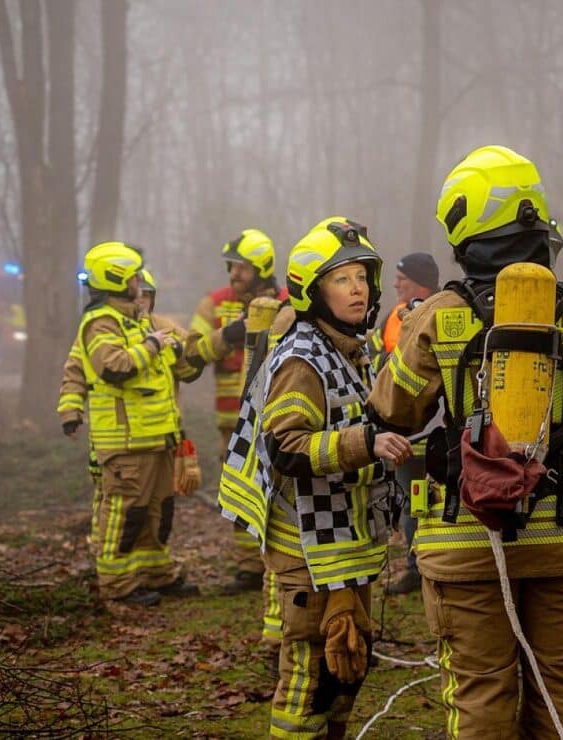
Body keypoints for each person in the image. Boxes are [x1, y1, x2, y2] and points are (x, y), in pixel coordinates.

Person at [367, 146, 563, 738]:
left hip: (467, 542)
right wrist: (559, 468)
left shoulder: (438, 316)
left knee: (482, 690)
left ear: (465, 231)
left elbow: (391, 411)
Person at [220, 217, 411, 738]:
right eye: (341, 279)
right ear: (313, 292)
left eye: (362, 277)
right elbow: (286, 447)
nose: (357, 289)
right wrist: (364, 444)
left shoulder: (350, 349)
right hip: (307, 550)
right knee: (309, 677)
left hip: (344, 542)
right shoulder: (302, 359)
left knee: (346, 666)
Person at [75, 243, 201, 606]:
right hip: (125, 442)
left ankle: (156, 575)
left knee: (156, 512)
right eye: (132, 277)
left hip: (155, 438)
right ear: (116, 280)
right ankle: (117, 585)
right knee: (124, 514)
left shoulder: (136, 320)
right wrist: (151, 346)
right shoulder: (101, 323)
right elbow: (112, 366)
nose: (138, 283)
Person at [190, 229, 289, 595]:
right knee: (240, 493)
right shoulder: (215, 305)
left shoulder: (289, 303)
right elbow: (187, 357)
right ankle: (249, 568)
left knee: (279, 491)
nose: (233, 274)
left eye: (241, 267)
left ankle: (280, 563)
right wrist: (228, 335)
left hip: (279, 419)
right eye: (231, 266)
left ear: (261, 268)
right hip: (232, 426)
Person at [369, 252, 440, 596]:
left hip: (437, 433)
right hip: (404, 436)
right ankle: (418, 567)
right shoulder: (392, 316)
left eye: (403, 279)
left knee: (437, 502)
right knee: (415, 502)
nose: (396, 284)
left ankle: (435, 567)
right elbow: (372, 359)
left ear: (421, 283)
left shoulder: (443, 311)